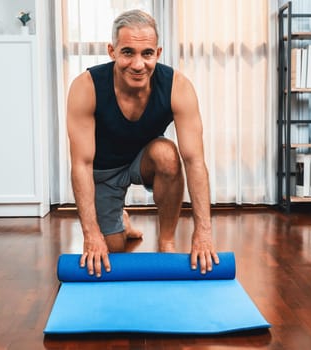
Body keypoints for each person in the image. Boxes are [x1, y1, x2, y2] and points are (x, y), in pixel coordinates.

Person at [67, 9, 219, 278]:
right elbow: (81, 164)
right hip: (103, 173)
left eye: (146, 53)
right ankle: (121, 222)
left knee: (167, 153)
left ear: (157, 53)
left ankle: (166, 241)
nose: (138, 64)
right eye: (128, 52)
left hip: (144, 160)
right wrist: (91, 235)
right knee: (110, 252)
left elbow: (194, 161)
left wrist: (203, 233)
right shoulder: (86, 87)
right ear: (112, 51)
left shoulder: (177, 87)